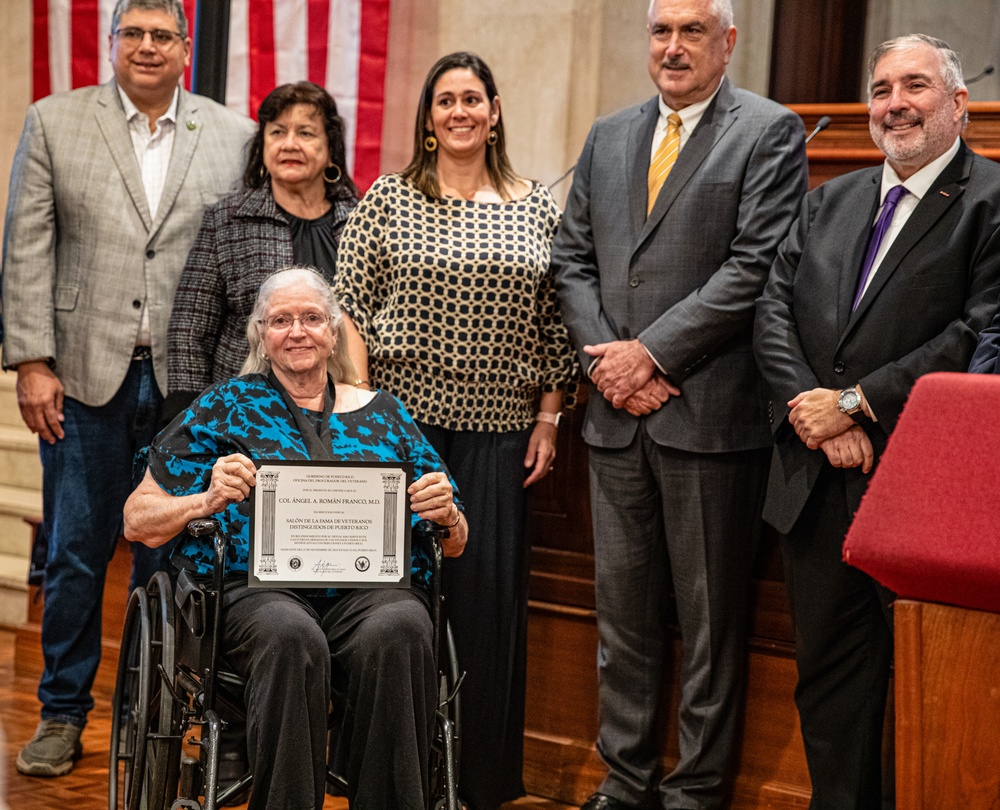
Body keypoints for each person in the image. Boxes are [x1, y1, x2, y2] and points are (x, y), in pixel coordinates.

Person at [550, 0, 808, 807]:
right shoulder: (609, 134)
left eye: (692, 31)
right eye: (661, 31)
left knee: (708, 624)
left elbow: (754, 267)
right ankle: (624, 783)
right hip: (616, 419)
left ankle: (695, 791)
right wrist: (608, 368)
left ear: (728, 42)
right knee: (621, 619)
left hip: (709, 416)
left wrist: (650, 354)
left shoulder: (768, 131)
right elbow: (572, 261)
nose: (673, 47)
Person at [0, 0, 254, 777]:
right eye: (132, 34)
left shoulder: (234, 135)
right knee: (77, 550)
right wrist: (32, 361)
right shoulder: (54, 122)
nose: (147, 47)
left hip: (186, 389)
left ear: (186, 50)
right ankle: (61, 712)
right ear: (113, 44)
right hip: (80, 379)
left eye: (162, 36)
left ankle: (155, 717)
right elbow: (27, 248)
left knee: (170, 559)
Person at [754, 34, 1000, 810]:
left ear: (958, 104)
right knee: (828, 680)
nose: (895, 103)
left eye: (916, 85)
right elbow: (772, 313)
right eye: (883, 87)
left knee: (928, 683)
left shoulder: (991, 200)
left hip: (924, 487)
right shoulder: (831, 198)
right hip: (817, 479)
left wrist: (858, 404)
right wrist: (818, 417)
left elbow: (977, 333)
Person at [125, 267, 468, 809]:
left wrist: (447, 514)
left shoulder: (386, 413)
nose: (298, 331)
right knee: (291, 635)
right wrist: (206, 500)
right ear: (262, 336)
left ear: (333, 331)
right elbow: (136, 520)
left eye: (312, 318)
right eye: (281, 320)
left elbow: (454, 541)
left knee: (403, 625)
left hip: (367, 592)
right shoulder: (224, 407)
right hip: (256, 593)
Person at [334, 51, 576, 810]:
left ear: (495, 111)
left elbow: (557, 323)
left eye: (474, 98)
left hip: (501, 433)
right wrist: (369, 414)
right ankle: (390, 778)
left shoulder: (537, 205)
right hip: (403, 433)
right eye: (446, 100)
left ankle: (476, 781)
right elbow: (350, 309)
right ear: (429, 118)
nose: (461, 111)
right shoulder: (389, 199)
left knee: (482, 613)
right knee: (397, 612)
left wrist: (548, 417)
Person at [166, 81, 359, 413]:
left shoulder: (359, 222)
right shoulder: (226, 220)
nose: (289, 144)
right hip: (243, 412)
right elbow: (190, 329)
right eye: (277, 132)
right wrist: (189, 416)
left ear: (331, 150)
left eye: (306, 134)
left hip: (341, 412)